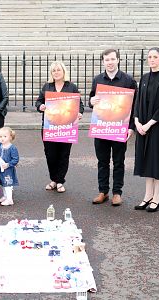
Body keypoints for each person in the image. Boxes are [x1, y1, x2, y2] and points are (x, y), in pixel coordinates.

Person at [89, 49, 137, 206]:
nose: (109, 62)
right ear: (103, 62)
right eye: (106, 60)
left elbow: (134, 105)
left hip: (119, 127)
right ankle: (103, 191)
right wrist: (92, 101)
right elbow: (91, 99)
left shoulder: (128, 80)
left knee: (118, 161)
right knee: (102, 161)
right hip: (102, 126)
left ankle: (117, 193)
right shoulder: (97, 80)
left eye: (112, 59)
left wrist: (131, 127)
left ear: (118, 60)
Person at [133, 47, 159, 212]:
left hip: (157, 127)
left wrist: (149, 124)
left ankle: (157, 197)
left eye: (155, 57)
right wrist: (136, 121)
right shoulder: (144, 78)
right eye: (149, 57)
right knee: (146, 160)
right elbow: (138, 102)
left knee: (157, 160)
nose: (152, 59)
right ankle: (147, 196)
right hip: (142, 126)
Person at [35, 61, 84, 193]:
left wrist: (79, 113)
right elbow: (38, 101)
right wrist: (41, 106)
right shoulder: (47, 86)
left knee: (63, 154)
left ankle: (60, 181)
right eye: (54, 70)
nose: (56, 72)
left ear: (63, 71)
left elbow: (80, 104)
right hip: (50, 127)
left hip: (66, 127)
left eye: (58, 70)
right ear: (51, 73)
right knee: (50, 154)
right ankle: (54, 179)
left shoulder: (71, 87)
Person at [0, 127, 19, 206]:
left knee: (8, 184)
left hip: (8, 170)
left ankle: (10, 199)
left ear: (10, 137)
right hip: (1, 169)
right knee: (3, 183)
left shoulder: (12, 148)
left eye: (5, 136)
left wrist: (8, 164)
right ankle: (5, 196)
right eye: (0, 136)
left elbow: (15, 159)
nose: (2, 139)